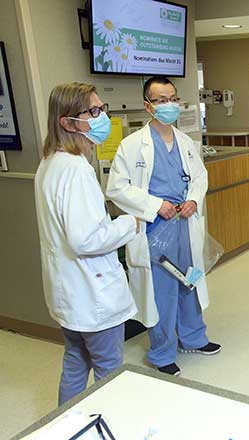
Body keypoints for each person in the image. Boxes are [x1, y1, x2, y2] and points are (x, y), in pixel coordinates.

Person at [107, 77, 220, 376]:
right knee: (163, 292)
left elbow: (200, 177)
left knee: (190, 282)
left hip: (184, 223)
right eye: (160, 100)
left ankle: (194, 337)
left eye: (172, 98)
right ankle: (162, 352)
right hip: (154, 229)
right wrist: (156, 205)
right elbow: (117, 188)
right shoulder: (132, 146)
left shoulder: (184, 142)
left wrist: (194, 200)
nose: (168, 104)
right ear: (148, 106)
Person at [34, 82, 140, 404]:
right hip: (93, 296)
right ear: (67, 123)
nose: (101, 116)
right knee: (110, 371)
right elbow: (85, 239)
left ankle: (68, 426)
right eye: (92, 111)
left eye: (101, 108)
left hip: (69, 293)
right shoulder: (76, 169)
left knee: (76, 362)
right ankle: (108, 424)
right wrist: (127, 224)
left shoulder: (49, 163)